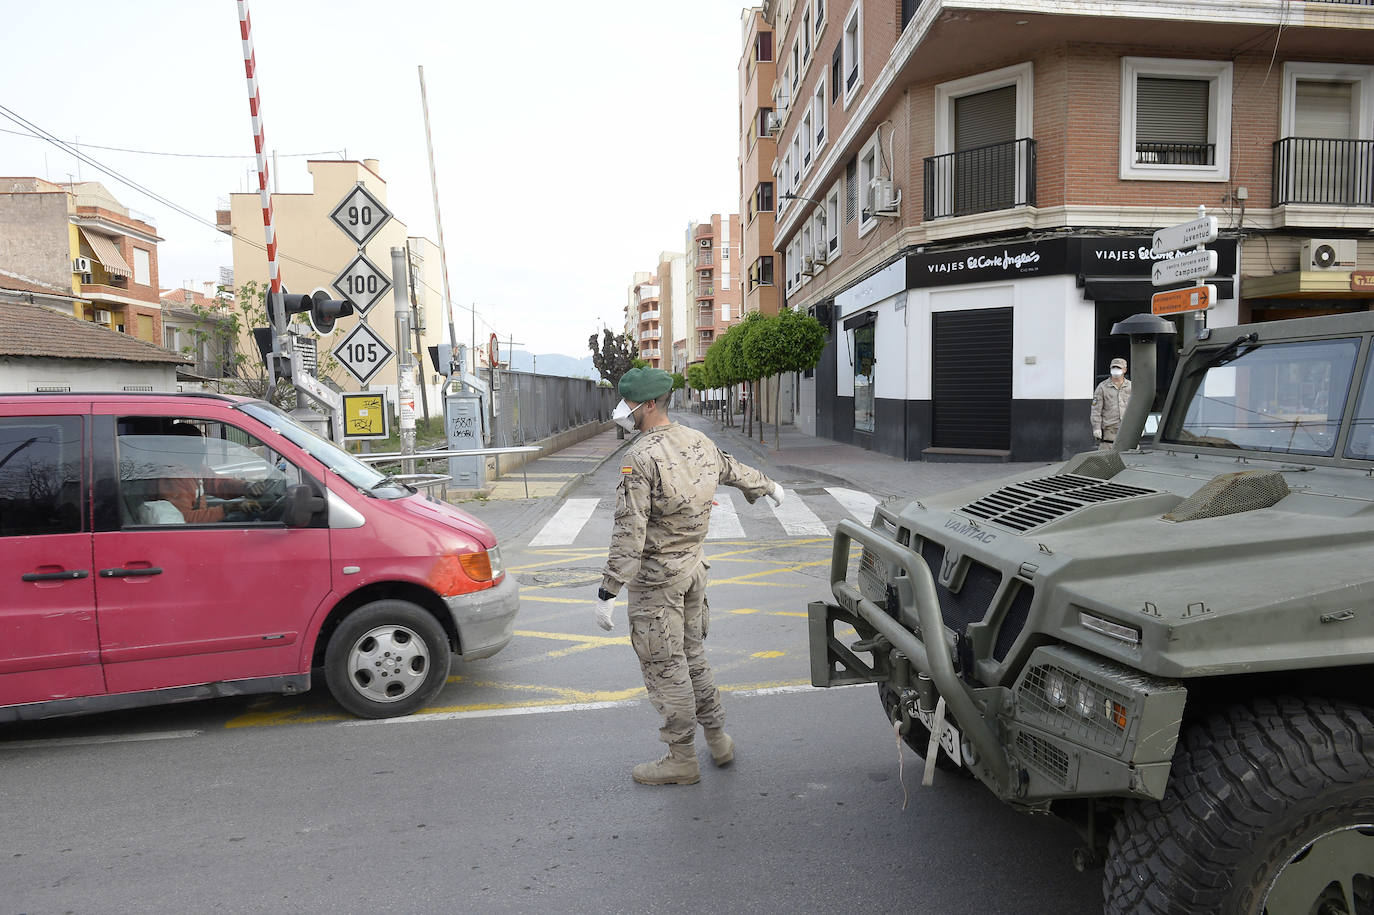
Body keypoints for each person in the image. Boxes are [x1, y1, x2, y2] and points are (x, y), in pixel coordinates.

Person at [595, 366, 784, 786]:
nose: (621, 410)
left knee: (666, 668)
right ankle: (718, 740)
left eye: (626, 403)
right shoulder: (696, 440)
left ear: (646, 406)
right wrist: (769, 487)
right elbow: (733, 469)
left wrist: (608, 590)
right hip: (694, 572)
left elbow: (630, 531)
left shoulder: (640, 458)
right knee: (693, 657)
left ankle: (681, 758)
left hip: (658, 584)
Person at [1090, 357, 1132, 450]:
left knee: (1131, 460)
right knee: (1107, 461)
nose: (1116, 370)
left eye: (1119, 368)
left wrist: (1141, 427)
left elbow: (1137, 409)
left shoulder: (1131, 386)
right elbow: (1096, 410)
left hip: (1128, 430)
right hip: (1109, 432)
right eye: (1113, 368)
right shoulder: (1102, 387)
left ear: (1125, 370)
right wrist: (1096, 428)